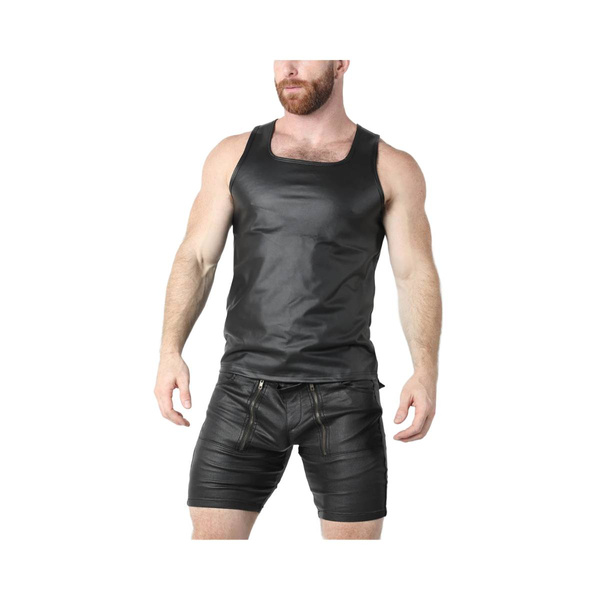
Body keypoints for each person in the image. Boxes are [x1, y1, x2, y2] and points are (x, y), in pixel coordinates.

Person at [154, 60, 442, 540]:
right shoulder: (233, 155)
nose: (288, 67)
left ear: (341, 61)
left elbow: (414, 274)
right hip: (243, 390)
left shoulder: (391, 166)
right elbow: (197, 258)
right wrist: (170, 351)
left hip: (344, 396)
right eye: (280, 52)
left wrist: (425, 371)